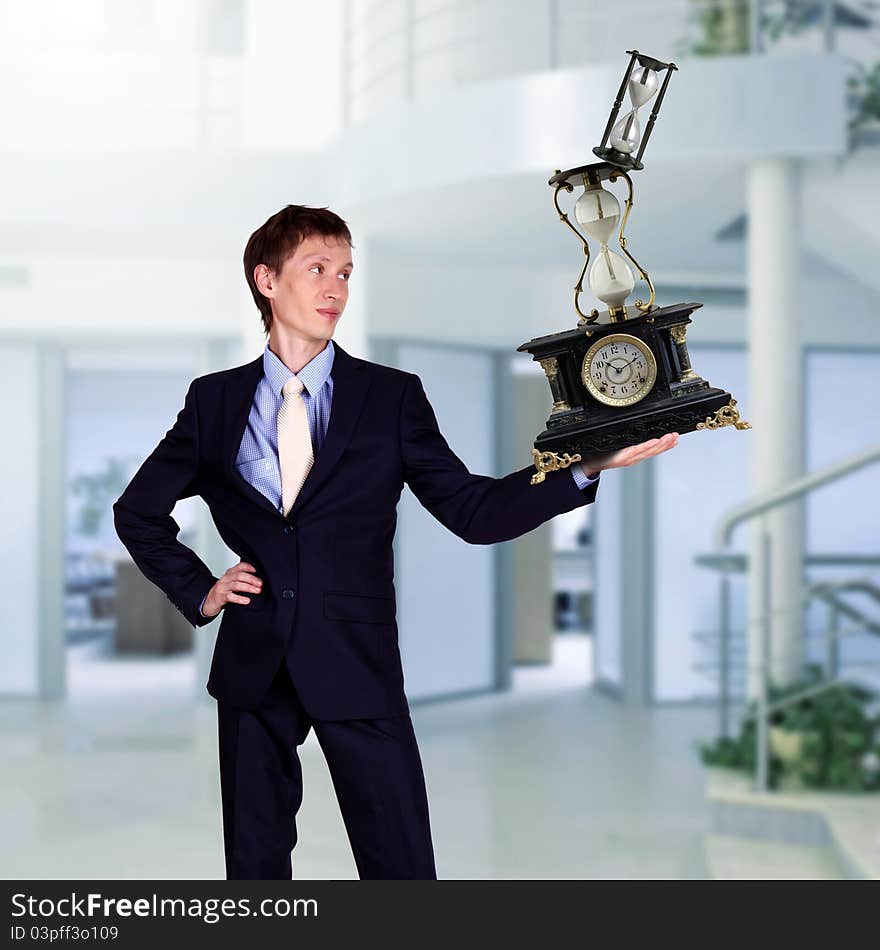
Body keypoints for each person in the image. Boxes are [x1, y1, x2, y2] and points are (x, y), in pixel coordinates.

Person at [112, 204, 678, 880]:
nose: (335, 289)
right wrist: (201, 589)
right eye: (317, 269)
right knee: (255, 868)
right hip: (253, 663)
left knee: (400, 865)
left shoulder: (390, 397)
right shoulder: (214, 402)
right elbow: (137, 511)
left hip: (357, 657)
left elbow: (474, 511)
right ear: (266, 280)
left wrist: (583, 467)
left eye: (346, 273)